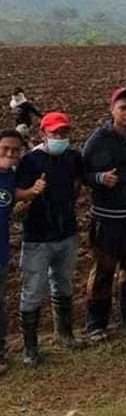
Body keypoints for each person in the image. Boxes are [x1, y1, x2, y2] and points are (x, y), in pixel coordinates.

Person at [81, 87, 126, 341]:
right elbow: (82, 174)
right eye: (123, 107)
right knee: (103, 271)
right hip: (106, 219)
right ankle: (96, 324)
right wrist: (100, 178)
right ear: (112, 109)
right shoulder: (98, 140)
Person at [15, 112, 85, 365]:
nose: (59, 137)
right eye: (54, 133)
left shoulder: (73, 157)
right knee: (33, 290)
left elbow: (79, 182)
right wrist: (33, 192)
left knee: (63, 284)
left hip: (66, 232)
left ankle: (64, 334)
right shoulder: (30, 161)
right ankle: (30, 348)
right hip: (37, 237)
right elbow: (18, 196)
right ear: (43, 134)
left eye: (64, 132)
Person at [0, 129, 25, 374]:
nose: (9, 153)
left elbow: (18, 197)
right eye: (4, 148)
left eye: (15, 150)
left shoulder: (10, 177)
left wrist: (34, 192)